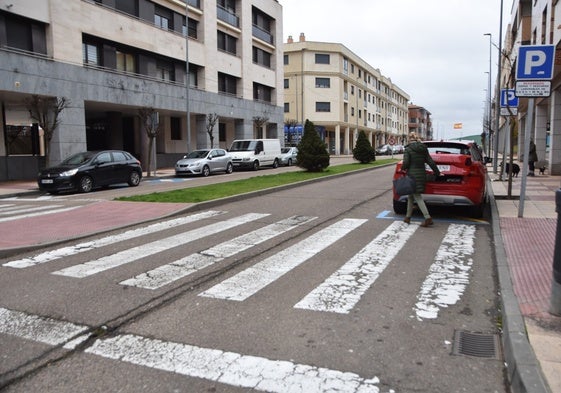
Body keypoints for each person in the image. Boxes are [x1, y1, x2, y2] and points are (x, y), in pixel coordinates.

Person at [401, 132, 441, 227]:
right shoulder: (423, 148)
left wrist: (402, 168)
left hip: (411, 175)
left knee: (417, 196)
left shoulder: (408, 149)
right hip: (421, 174)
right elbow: (430, 161)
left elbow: (406, 163)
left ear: (409, 139)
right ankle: (407, 217)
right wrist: (437, 172)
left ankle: (428, 218)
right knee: (411, 195)